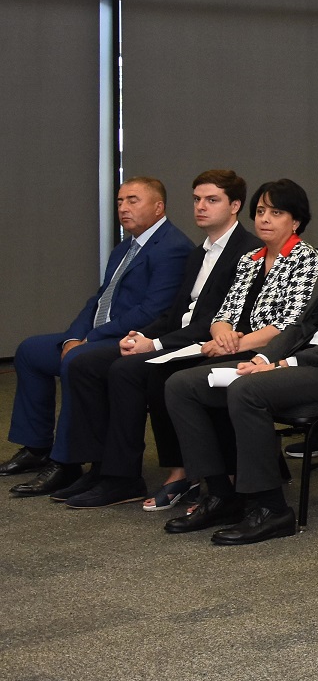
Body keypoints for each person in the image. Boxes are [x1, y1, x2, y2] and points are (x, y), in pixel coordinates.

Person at [160, 185, 318, 544]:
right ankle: (221, 495)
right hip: (314, 366)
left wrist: (284, 363)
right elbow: (300, 326)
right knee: (182, 385)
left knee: (247, 390)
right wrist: (263, 357)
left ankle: (271, 509)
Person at [43, 172, 257, 509]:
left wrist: (155, 344)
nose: (200, 207)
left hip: (208, 344)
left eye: (211, 200)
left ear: (235, 206)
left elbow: (215, 321)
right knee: (85, 363)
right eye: (197, 199)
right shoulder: (199, 253)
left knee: (126, 370)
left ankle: (124, 476)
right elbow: (175, 312)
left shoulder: (248, 251)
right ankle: (99, 467)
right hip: (178, 337)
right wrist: (143, 335)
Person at [2, 178, 193, 486]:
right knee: (30, 351)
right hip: (100, 335)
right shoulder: (125, 248)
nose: (123, 208)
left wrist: (89, 340)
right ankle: (36, 447)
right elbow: (100, 299)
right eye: (120, 201)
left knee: (76, 361)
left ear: (159, 207)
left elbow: (152, 311)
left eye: (133, 200)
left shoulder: (173, 248)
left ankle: (66, 461)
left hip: (134, 340)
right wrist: (73, 337)